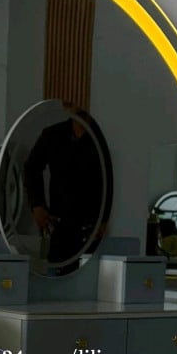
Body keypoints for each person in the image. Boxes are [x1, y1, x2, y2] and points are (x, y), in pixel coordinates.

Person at [23, 100, 113, 274]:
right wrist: (37, 204)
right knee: (57, 279)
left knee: (90, 280)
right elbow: (31, 168)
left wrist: (104, 218)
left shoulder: (102, 137)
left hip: (92, 229)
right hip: (60, 227)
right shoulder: (52, 135)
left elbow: (109, 177)